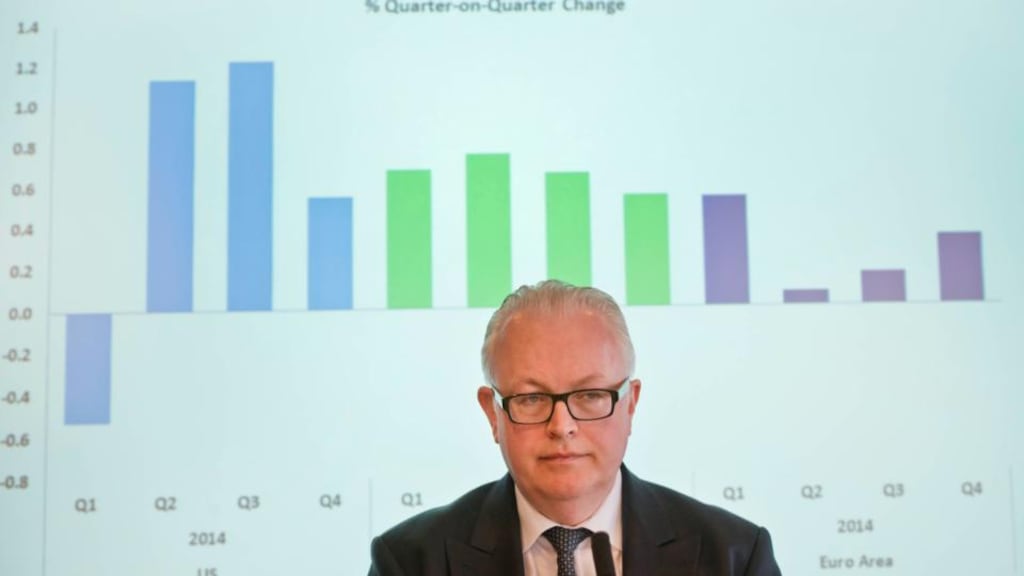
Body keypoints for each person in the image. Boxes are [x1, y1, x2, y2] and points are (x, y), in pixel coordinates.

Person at [369, 280, 781, 575]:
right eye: (531, 399)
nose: (562, 426)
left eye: (589, 396)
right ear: (492, 414)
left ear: (630, 404)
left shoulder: (734, 556)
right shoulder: (410, 561)